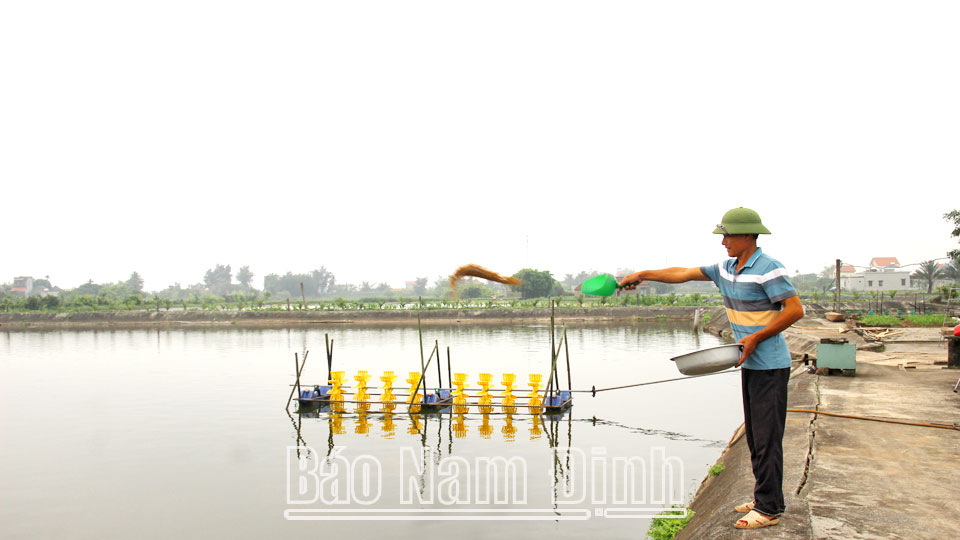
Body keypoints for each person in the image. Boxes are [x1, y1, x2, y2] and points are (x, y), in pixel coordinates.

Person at [619, 207, 804, 530]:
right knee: (755, 437)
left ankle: (769, 509)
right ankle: (764, 498)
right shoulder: (727, 268)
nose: (723, 242)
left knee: (767, 436)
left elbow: (794, 309)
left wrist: (757, 337)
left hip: (770, 366)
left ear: (748, 235)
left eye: (728, 235)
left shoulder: (768, 268)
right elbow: (684, 273)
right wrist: (644, 273)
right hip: (750, 363)